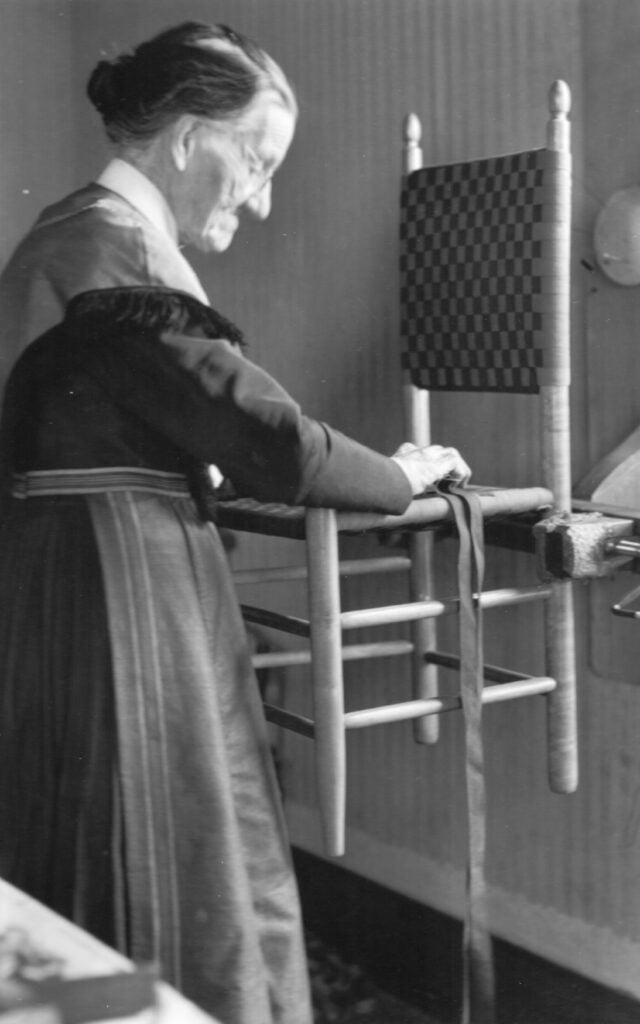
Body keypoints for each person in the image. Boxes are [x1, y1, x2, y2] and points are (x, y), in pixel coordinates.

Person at [0, 22, 470, 1024]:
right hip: (126, 591)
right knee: (166, 844)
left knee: (95, 846)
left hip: (63, 584)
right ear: (184, 140)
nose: (260, 201)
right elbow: (275, 442)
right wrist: (400, 474)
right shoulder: (111, 256)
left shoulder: (63, 240)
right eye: (254, 163)